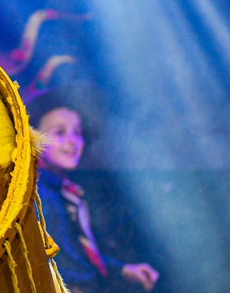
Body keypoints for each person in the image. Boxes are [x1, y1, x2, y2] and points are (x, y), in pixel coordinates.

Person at [31, 89, 160, 293]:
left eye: (77, 132)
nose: (73, 142)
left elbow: (78, 257)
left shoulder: (68, 192)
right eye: (59, 133)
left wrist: (123, 270)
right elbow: (60, 267)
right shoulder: (37, 195)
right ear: (33, 138)